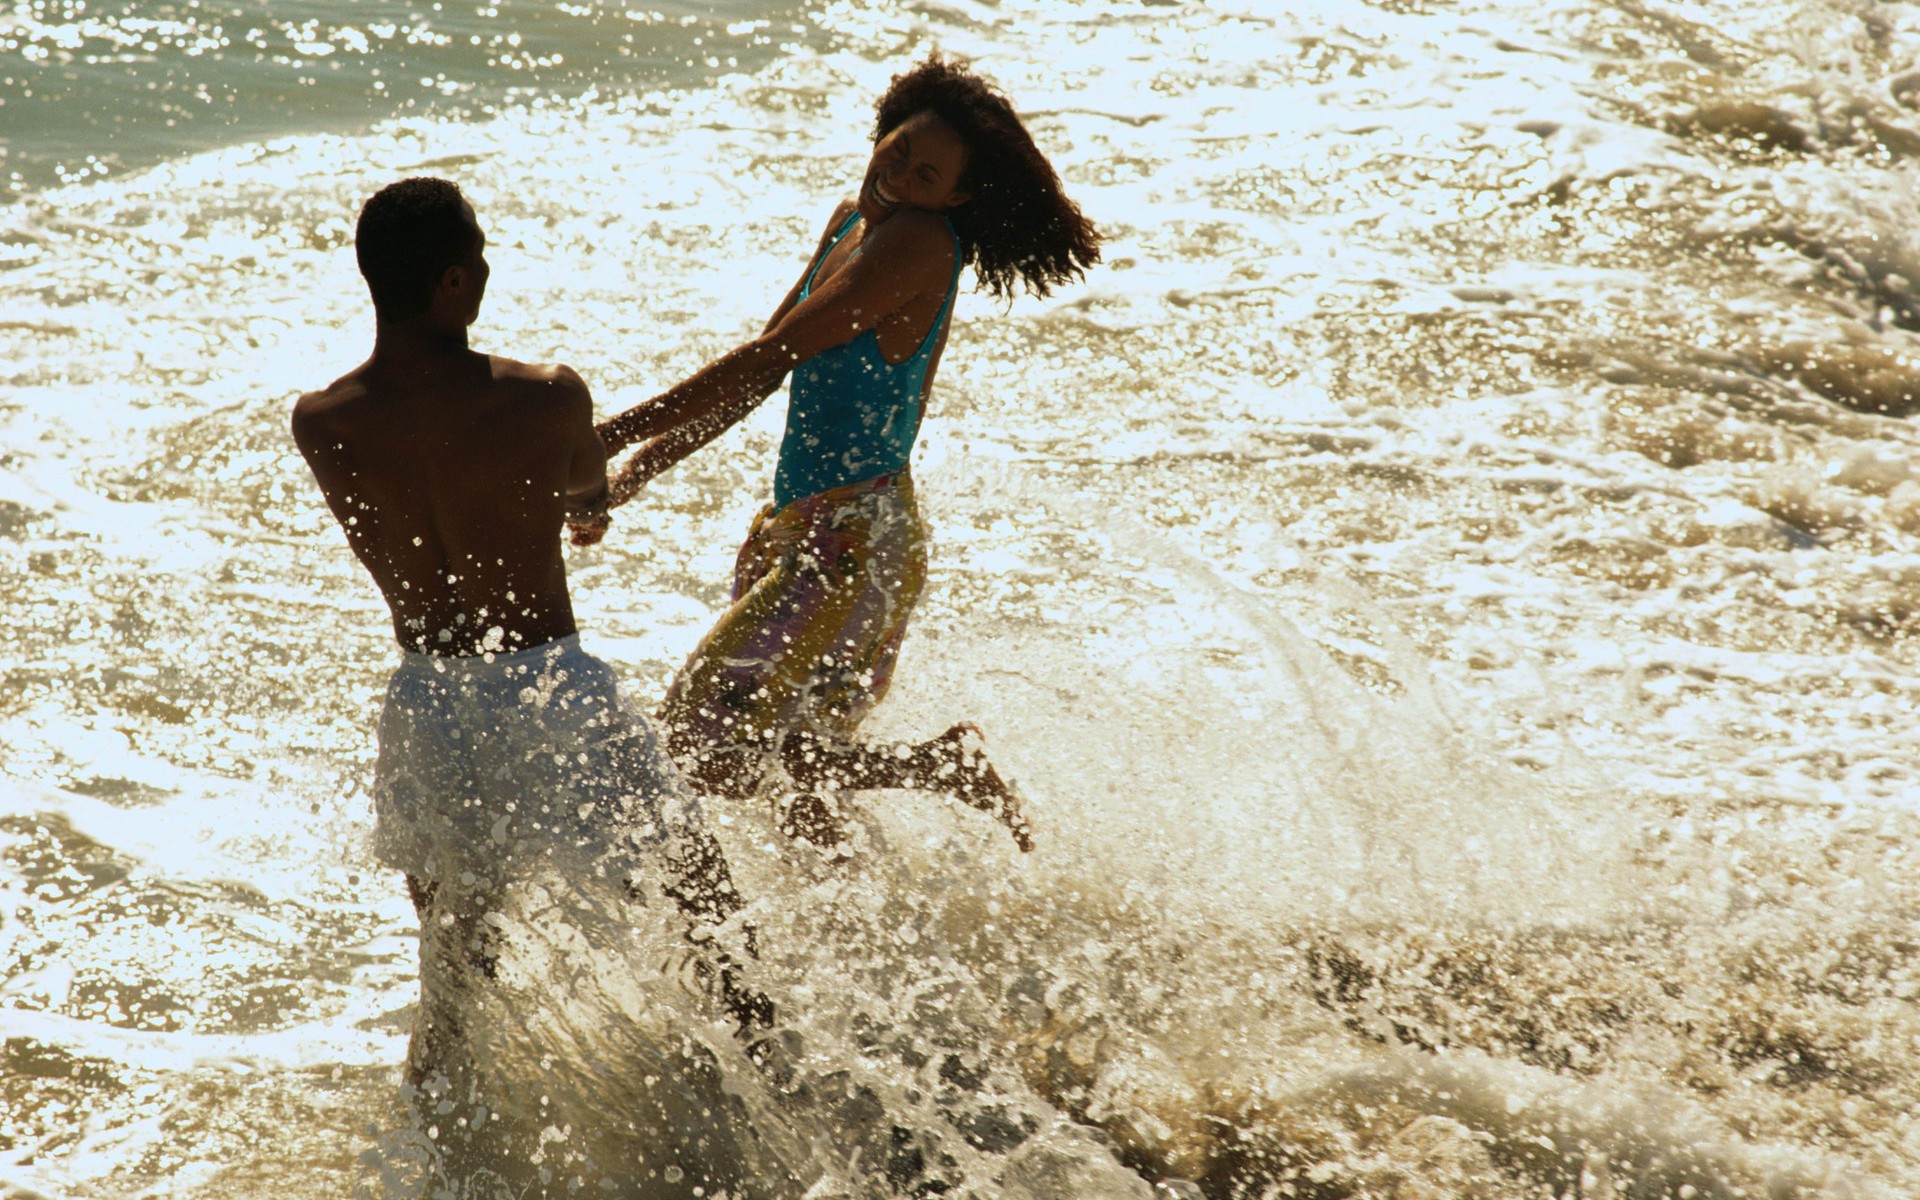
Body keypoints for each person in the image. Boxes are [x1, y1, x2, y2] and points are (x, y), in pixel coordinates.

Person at [289, 177, 768, 1097]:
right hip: (548, 689)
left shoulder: (323, 422)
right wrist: (583, 504)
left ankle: (439, 1148)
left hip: (428, 705)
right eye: (478, 256)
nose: (488, 268)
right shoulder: (547, 396)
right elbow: (586, 491)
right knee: (702, 900)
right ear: (450, 283)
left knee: (452, 968)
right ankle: (786, 1095)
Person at [571, 55, 1100, 853]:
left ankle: (937, 767)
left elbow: (771, 355)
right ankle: (877, 944)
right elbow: (761, 365)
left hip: (851, 549)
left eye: (927, 176)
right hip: (812, 533)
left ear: (954, 197)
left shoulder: (921, 244)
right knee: (803, 789)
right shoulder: (854, 220)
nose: (901, 178)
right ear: (883, 127)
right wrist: (639, 469)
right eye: (898, 152)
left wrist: (604, 435)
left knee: (695, 749)